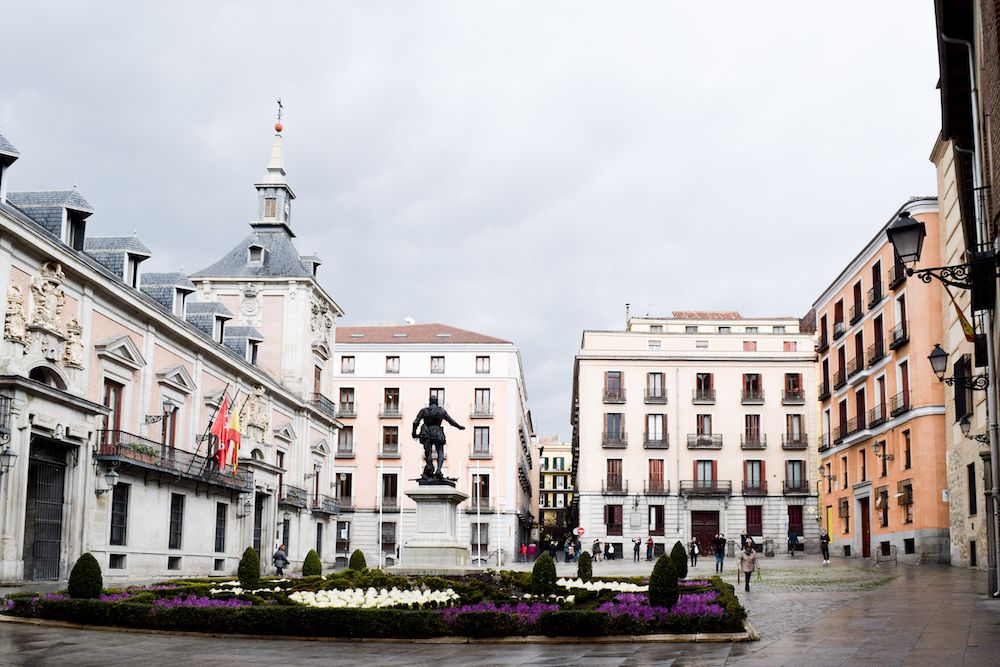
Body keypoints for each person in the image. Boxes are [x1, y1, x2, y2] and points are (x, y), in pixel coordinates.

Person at [411, 396, 465, 482]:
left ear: (429, 402)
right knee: (440, 451)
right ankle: (439, 469)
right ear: (437, 402)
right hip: (437, 432)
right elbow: (451, 421)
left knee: (428, 452)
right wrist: (459, 427)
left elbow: (415, 422)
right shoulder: (441, 411)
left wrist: (413, 433)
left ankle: (429, 467)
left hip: (427, 433)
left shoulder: (424, 411)